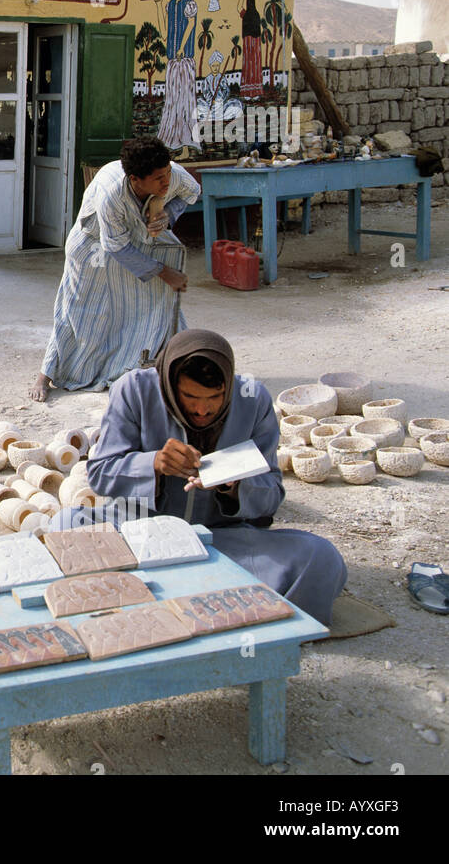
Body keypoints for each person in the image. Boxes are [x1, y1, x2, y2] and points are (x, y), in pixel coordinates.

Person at [53, 329, 346, 626]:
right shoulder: (134, 390)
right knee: (62, 527)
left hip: (218, 543)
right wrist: (153, 462)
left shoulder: (253, 399)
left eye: (215, 398)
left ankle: (150, 604)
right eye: (190, 397)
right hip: (137, 535)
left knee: (319, 558)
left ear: (229, 387)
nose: (202, 410)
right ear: (169, 383)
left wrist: (233, 487)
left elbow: (271, 495)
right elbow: (101, 473)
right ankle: (219, 606)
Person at [30, 137, 199, 401]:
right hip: (92, 246)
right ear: (135, 179)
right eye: (158, 179)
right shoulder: (112, 194)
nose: (166, 182)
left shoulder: (170, 173)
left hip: (131, 241)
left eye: (167, 173)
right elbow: (116, 247)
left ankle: (161, 362)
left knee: (157, 300)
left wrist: (168, 215)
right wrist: (164, 271)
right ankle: (46, 375)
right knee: (80, 311)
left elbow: (192, 191)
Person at [153, 0, 199, 151]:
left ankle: (187, 144)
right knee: (173, 101)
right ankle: (172, 142)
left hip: (184, 60)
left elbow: (191, 25)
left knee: (185, 102)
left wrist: (181, 48)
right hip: (173, 61)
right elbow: (164, 34)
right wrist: (158, 5)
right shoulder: (170, 5)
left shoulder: (189, 3)